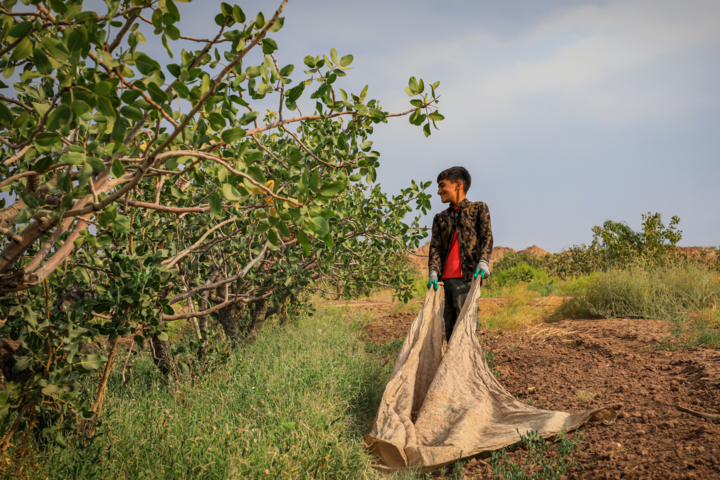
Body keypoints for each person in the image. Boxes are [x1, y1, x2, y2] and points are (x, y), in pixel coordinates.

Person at [427, 167, 493, 341]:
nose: (438, 191)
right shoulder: (440, 218)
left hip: (466, 281)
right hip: (442, 285)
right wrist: (433, 273)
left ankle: (466, 368)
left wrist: (484, 262)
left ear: (458, 185)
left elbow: (487, 237)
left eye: (442, 185)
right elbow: (435, 248)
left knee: (464, 334)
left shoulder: (478, 209)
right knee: (447, 335)